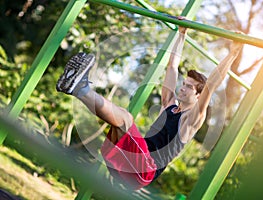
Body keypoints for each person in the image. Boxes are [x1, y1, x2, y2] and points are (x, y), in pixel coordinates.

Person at [56, 25, 243, 190]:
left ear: (198, 95)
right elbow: (172, 67)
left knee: (126, 119)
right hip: (127, 160)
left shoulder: (191, 120)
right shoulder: (169, 104)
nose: (182, 88)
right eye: (184, 83)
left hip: (145, 171)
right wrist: (181, 34)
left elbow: (211, 85)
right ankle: (76, 89)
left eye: (189, 87)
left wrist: (233, 54)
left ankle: (81, 88)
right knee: (116, 121)